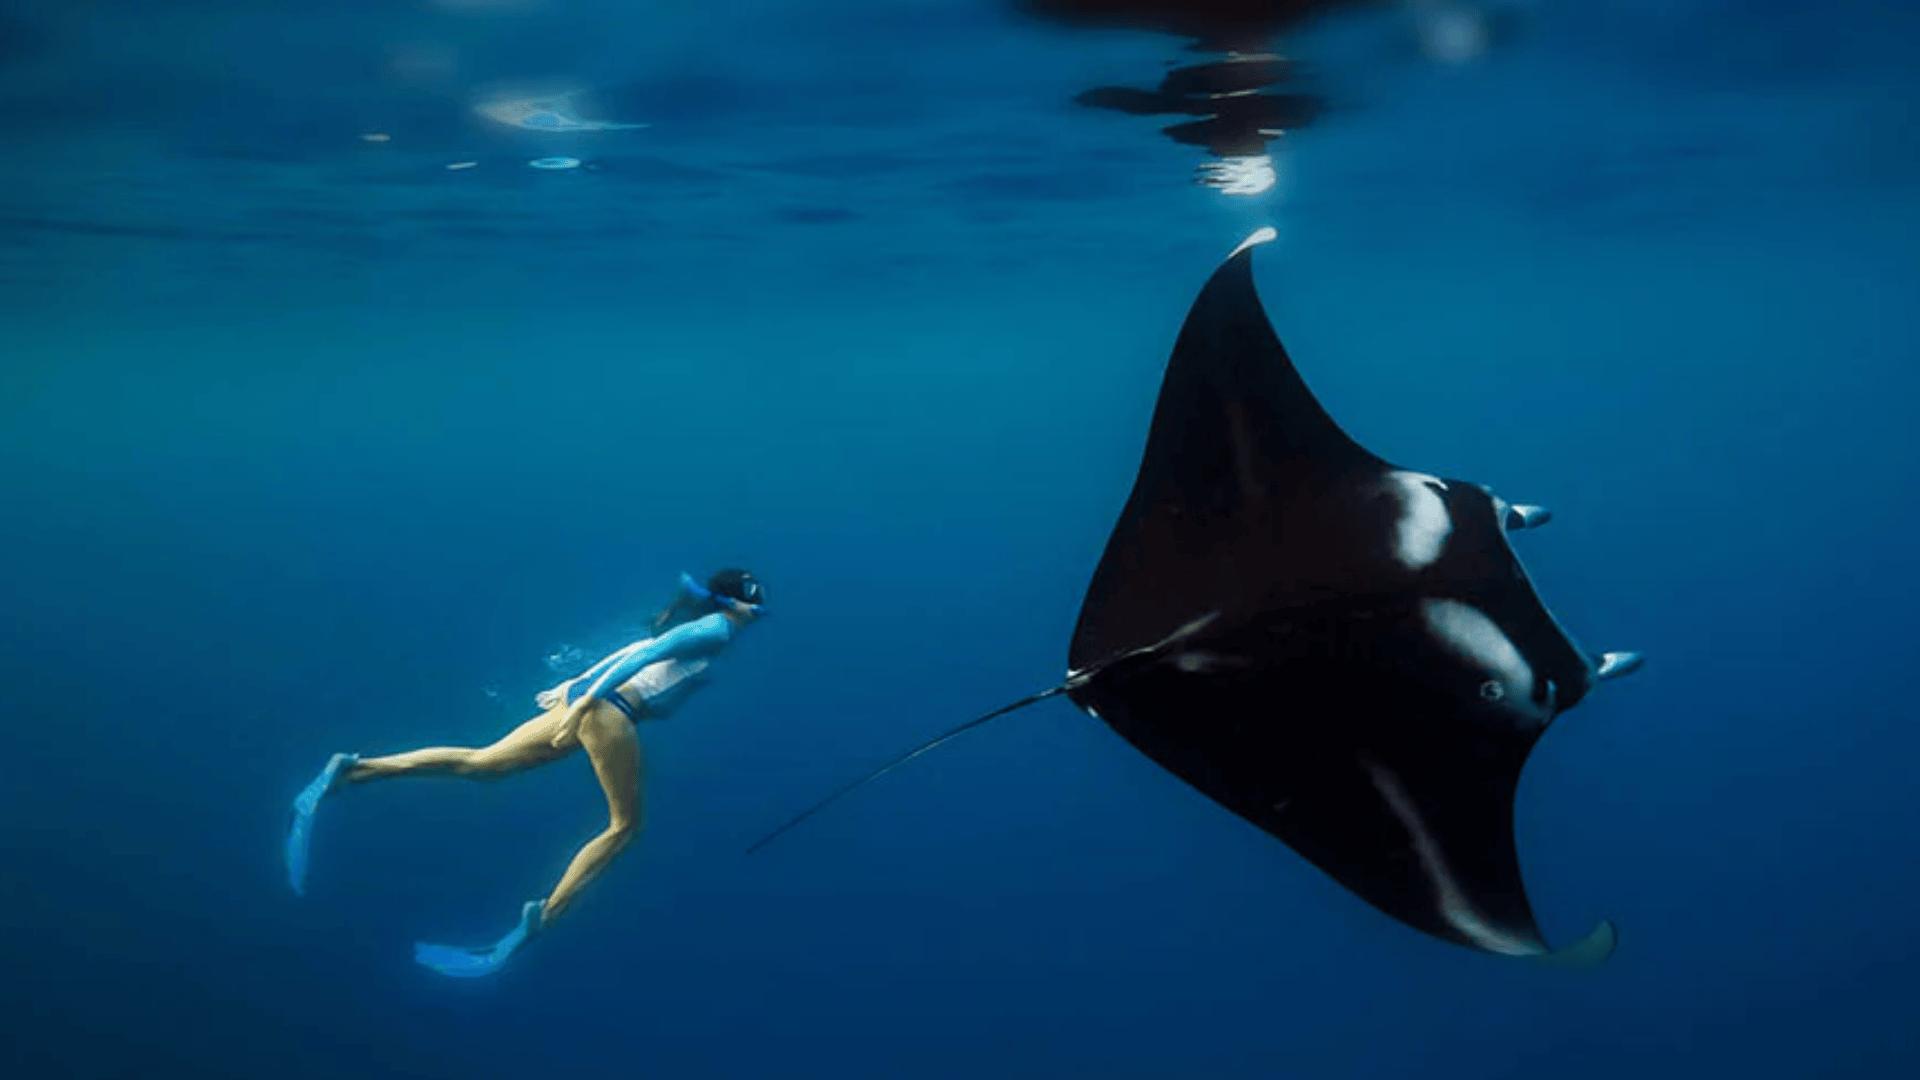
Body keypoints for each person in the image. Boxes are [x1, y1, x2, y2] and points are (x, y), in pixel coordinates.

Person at [284, 569, 767, 977]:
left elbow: (633, 654)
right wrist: (583, 709)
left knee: (483, 764)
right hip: (607, 712)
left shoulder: (698, 627)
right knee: (625, 827)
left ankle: (353, 772)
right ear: (733, 604)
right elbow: (639, 660)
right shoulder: (718, 630)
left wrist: (571, 691)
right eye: (751, 603)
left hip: (589, 702)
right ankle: (543, 918)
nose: (754, 610)